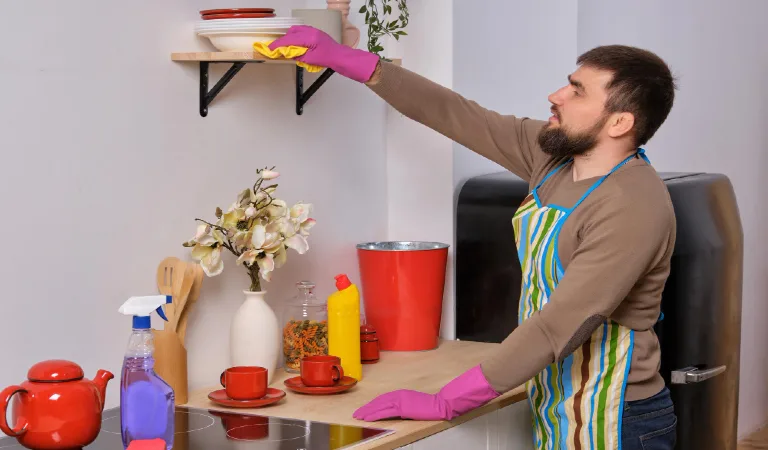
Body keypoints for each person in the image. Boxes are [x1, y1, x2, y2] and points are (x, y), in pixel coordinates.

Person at [269, 26, 678, 450]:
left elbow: (559, 326)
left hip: (618, 417)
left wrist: (448, 400)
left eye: (577, 91)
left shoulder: (632, 204)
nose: (556, 95)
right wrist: (353, 62)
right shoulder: (553, 160)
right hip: (555, 398)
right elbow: (457, 114)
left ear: (619, 122)